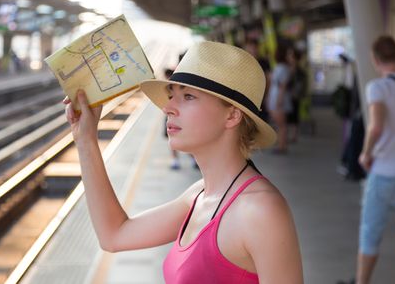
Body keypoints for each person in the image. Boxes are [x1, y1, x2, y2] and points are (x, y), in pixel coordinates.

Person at [64, 41, 303, 283]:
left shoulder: (260, 210)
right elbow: (114, 236)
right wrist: (86, 140)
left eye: (188, 96)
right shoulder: (198, 195)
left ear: (232, 115)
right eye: (172, 95)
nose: (168, 108)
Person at [355, 36, 395, 284]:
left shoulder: (378, 87)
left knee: (370, 233)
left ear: (375, 59)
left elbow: (376, 127)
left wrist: (366, 153)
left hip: (384, 174)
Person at [267, 44, 292, 154]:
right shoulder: (281, 67)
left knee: (281, 124)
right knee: (280, 124)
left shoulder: (282, 68)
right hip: (276, 96)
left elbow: (283, 86)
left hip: (278, 97)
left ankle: (282, 146)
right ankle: (281, 144)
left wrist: (279, 100)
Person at [244, 38, 271, 122]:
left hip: (262, 98)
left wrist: (267, 96)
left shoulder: (264, 62)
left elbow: (269, 79)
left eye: (254, 48)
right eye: (250, 48)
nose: (253, 50)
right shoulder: (244, 63)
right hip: (247, 99)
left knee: (262, 121)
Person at [286, 48, 307, 143]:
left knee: (294, 114)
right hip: (290, 95)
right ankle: (291, 135)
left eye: (290, 56)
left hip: (294, 95)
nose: (288, 57)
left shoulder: (298, 70)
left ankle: (294, 135)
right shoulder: (290, 68)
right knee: (290, 114)